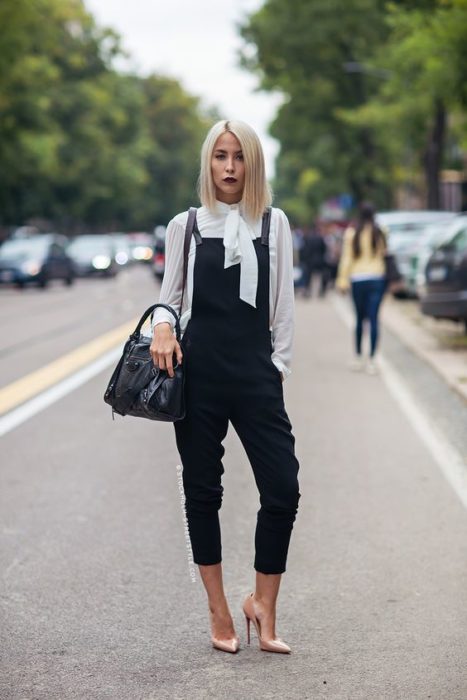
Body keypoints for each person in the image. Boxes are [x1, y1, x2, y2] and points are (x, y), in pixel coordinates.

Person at [149, 119, 301, 654]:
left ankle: (263, 604)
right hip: (200, 376)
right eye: (220, 157)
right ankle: (218, 610)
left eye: (238, 157)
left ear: (253, 164)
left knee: (283, 488)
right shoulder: (185, 225)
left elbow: (282, 306)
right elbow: (169, 298)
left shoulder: (274, 223)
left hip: (256, 375)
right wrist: (163, 326)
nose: (230, 168)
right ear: (207, 163)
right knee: (202, 492)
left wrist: (276, 368)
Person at [336, 202, 387, 374]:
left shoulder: (351, 234)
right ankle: (372, 360)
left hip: (357, 280)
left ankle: (358, 357)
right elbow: (386, 254)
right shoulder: (381, 232)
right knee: (374, 319)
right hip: (377, 279)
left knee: (359, 319)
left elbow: (347, 259)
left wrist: (342, 281)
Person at [299, 225, 327, 298]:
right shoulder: (320, 238)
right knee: (321, 276)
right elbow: (324, 249)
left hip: (310, 260)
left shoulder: (308, 238)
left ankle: (307, 291)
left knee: (308, 276)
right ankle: (321, 291)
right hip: (319, 260)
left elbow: (304, 249)